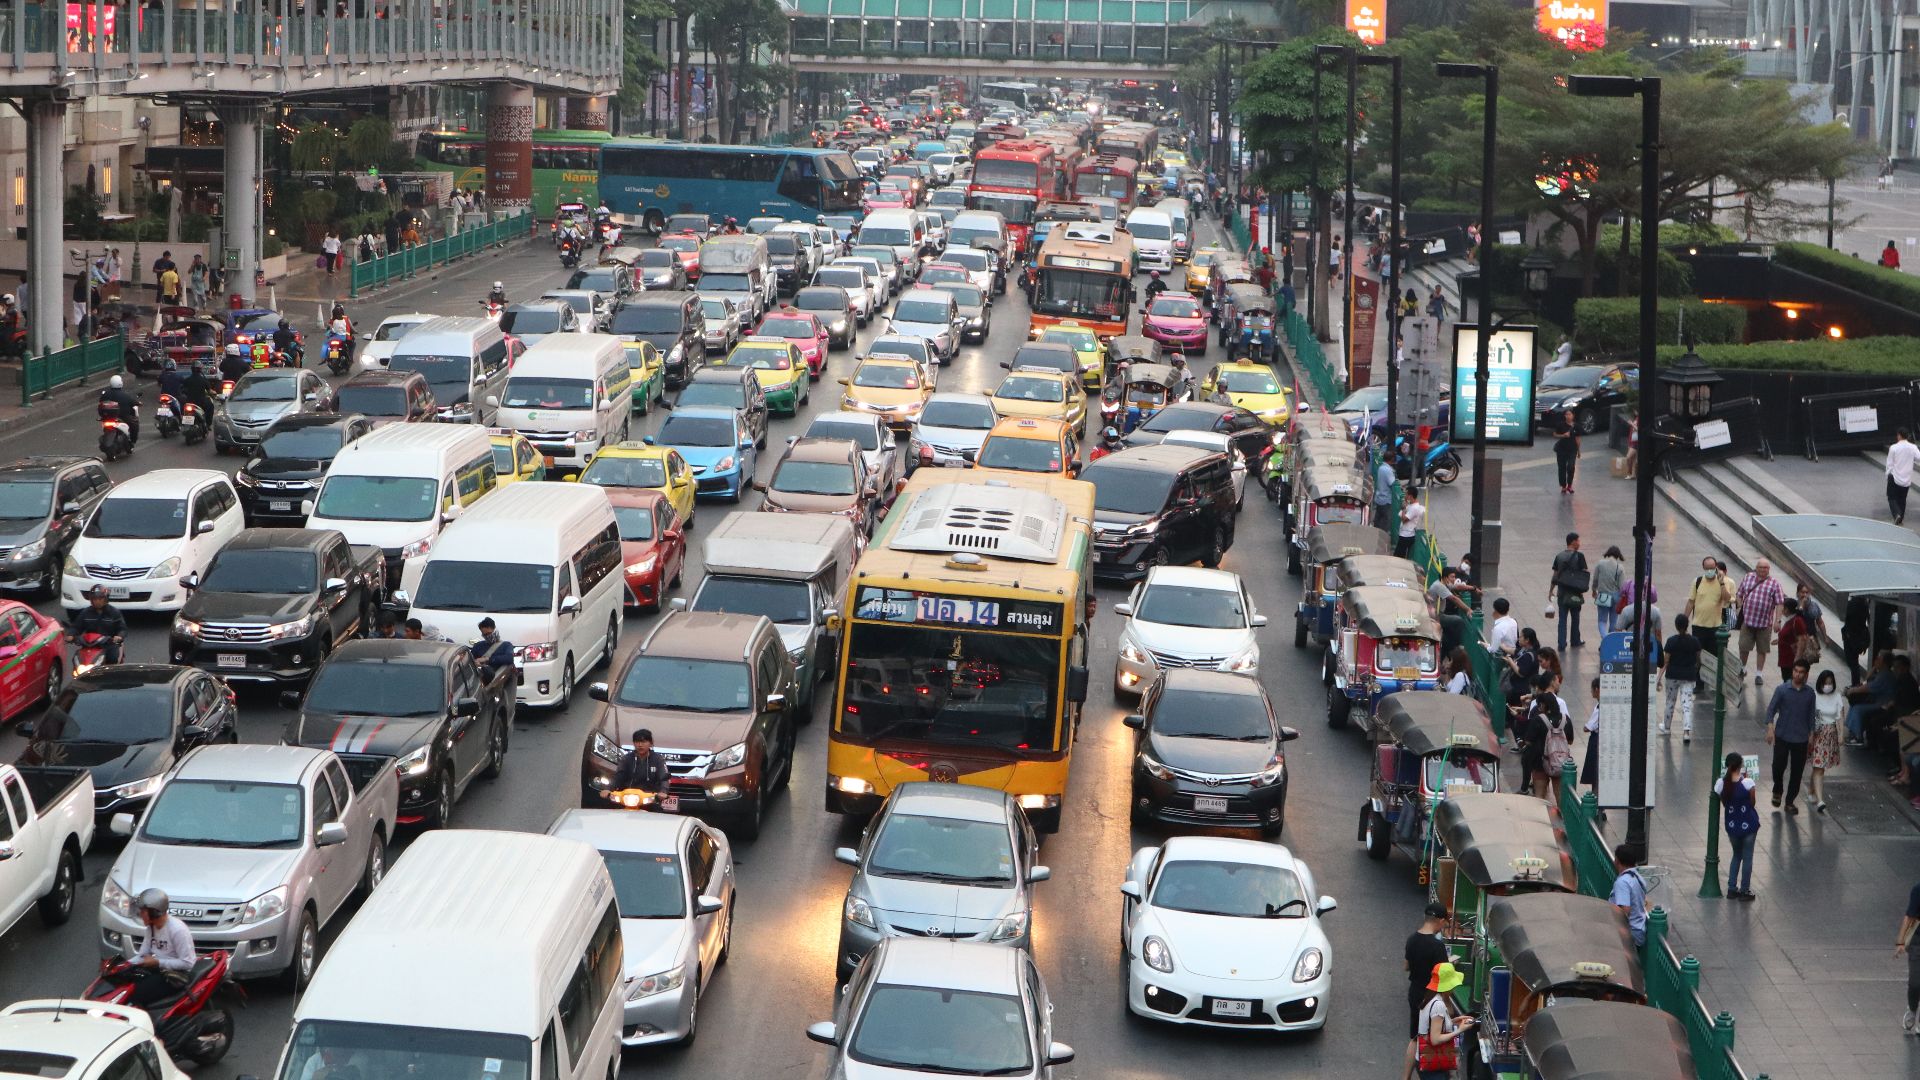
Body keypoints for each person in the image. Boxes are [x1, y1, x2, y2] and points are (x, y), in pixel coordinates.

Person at [124, 887, 196, 1007]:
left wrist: (157, 962)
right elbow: (142, 955)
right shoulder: (151, 927)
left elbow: (188, 963)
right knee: (127, 984)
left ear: (154, 912)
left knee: (138, 993)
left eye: (143, 911)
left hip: (176, 975)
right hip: (159, 970)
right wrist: (123, 966)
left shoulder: (177, 930)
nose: (140, 915)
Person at [1402, 903, 1450, 1080]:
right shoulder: (1437, 947)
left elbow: (1406, 967)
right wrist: (1447, 1003)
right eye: (1444, 922)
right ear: (1439, 920)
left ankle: (1405, 1077)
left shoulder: (1411, 939)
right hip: (1430, 996)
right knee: (1432, 1037)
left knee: (1415, 1037)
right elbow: (1443, 978)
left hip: (1415, 992)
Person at [1767, 659, 1817, 813]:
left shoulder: (1810, 694)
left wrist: (1811, 734)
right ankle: (1778, 788)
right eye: (1796, 671)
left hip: (1801, 738)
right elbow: (1771, 710)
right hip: (1782, 735)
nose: (1798, 674)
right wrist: (1770, 728)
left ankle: (1790, 801)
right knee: (1777, 767)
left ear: (1806, 674)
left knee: (1797, 772)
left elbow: (1811, 715)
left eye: (1801, 672)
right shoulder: (1782, 690)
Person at [1414, 962, 1474, 1080]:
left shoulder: (1430, 998)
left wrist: (1456, 1020)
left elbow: (1433, 1025)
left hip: (1425, 1061)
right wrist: (1460, 1030)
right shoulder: (1439, 1005)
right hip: (1433, 1067)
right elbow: (1435, 1040)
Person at [1716, 753, 1761, 900]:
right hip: (1748, 825)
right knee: (1747, 857)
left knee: (1736, 855)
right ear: (1740, 765)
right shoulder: (1747, 783)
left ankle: (1731, 888)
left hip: (1732, 826)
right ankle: (1744, 890)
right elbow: (1752, 803)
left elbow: (1723, 802)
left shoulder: (1721, 784)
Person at [1735, 560, 1785, 689]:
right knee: (1744, 647)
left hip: (1764, 624)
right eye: (1760, 567)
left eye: (1765, 568)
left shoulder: (1774, 584)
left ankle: (1759, 674)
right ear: (1756, 568)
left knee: (1762, 649)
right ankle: (1742, 669)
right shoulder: (1748, 578)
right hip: (1748, 621)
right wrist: (1740, 607)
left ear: (1769, 569)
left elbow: (1780, 603)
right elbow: (1739, 594)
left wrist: (1777, 620)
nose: (1763, 570)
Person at [1659, 614, 1703, 741]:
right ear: (1687, 625)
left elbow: (1666, 661)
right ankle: (1686, 733)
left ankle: (1666, 727)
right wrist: (1696, 668)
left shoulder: (1671, 641)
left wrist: (1658, 678)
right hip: (1689, 675)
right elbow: (1699, 658)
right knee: (1687, 704)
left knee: (1670, 702)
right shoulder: (1694, 641)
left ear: (1676, 626)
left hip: (1672, 675)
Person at [1806, 668, 1843, 813]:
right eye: (1825, 683)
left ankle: (1811, 789)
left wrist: (1840, 734)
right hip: (1818, 735)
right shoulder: (1814, 696)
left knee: (1819, 766)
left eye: (1830, 683)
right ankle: (1820, 800)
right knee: (1819, 767)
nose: (1828, 686)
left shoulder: (1837, 696)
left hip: (1831, 735)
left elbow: (1840, 716)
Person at [1683, 555, 1734, 658]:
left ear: (1716, 567)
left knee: (1714, 657)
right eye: (1707, 568)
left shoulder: (1723, 581)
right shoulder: (1697, 581)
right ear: (1703, 568)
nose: (1709, 571)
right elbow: (1691, 602)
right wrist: (1684, 620)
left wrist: (1722, 584)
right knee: (1697, 656)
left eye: (1712, 568)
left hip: (1715, 627)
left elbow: (1727, 599)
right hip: (1699, 626)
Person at [67, 584, 128, 664]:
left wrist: (119, 636)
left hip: (109, 645)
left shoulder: (114, 612)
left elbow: (122, 628)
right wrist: (71, 635)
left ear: (106, 599)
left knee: (113, 659)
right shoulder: (86, 613)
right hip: (89, 645)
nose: (97, 601)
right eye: (95, 599)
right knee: (77, 659)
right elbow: (76, 626)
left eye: (100, 598)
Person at [1548, 532, 1588, 651]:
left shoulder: (1559, 556)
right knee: (1575, 618)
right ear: (1573, 542)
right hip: (1575, 593)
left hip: (1562, 593)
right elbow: (1584, 573)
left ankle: (1561, 643)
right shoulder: (1579, 556)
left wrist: (1550, 591)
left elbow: (1555, 576)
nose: (1579, 543)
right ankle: (1575, 640)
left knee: (1562, 619)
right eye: (1578, 541)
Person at [1610, 844, 1650, 947]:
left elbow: (1625, 910)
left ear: (1617, 860)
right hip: (1639, 929)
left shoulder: (1622, 882)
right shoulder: (1637, 877)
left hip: (1630, 933)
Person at [610, 729, 671, 794]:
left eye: (643, 742)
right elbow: (618, 776)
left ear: (651, 743)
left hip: (651, 797)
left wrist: (663, 791)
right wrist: (609, 789)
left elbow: (664, 778)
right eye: (637, 742)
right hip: (628, 795)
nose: (640, 745)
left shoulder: (658, 759)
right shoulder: (626, 759)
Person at [27, 688, 78, 764]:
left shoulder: (73, 727)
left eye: (69, 704)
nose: (64, 706)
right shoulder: (52, 718)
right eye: (63, 704)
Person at [1775, 597, 1816, 686]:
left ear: (1787, 609)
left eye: (1784, 607)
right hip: (1785, 658)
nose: (1782, 609)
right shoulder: (1790, 619)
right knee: (1787, 680)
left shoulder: (1797, 621)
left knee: (1790, 682)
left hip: (1791, 660)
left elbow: (1802, 639)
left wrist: (1797, 658)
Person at [1887, 429, 1920, 525]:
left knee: (1891, 497)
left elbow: (1890, 463)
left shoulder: (1894, 448)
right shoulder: (1913, 447)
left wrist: (1888, 474)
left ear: (1899, 435)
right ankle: (1901, 518)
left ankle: (1897, 514)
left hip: (1894, 476)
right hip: (1906, 478)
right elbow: (1919, 457)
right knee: (1902, 499)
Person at [1592, 545, 1626, 637]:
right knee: (1614, 621)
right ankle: (1610, 642)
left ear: (1608, 553)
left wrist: (1594, 590)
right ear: (1618, 555)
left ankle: (1605, 638)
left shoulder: (1600, 564)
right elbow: (1622, 586)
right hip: (1616, 597)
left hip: (1603, 596)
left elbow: (1595, 579)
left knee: (1602, 621)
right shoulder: (1620, 567)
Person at [470, 617, 516, 682]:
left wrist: (487, 659)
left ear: (494, 630)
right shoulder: (478, 646)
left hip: (499, 680)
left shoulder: (506, 645)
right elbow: (470, 661)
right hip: (481, 680)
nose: (488, 636)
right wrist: (475, 663)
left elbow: (509, 658)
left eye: (489, 633)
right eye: (485, 634)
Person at [98, 374, 140, 444]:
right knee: (134, 425)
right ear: (121, 383)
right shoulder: (125, 395)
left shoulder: (106, 394)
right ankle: (132, 441)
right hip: (123, 416)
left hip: (107, 417)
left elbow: (101, 401)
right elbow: (133, 402)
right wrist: (138, 403)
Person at [1579, 675, 1602, 798]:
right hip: (1599, 739)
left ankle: (1596, 800)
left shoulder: (1600, 707)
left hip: (1596, 741)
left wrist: (1586, 725)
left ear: (1597, 689)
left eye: (1592, 689)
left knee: (1595, 771)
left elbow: (1587, 727)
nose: (1591, 692)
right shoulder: (1600, 705)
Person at [1552, 410, 1579, 494]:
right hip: (1561, 449)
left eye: (1569, 414)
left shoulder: (1576, 426)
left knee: (1571, 467)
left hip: (1572, 450)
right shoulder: (1561, 425)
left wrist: (1579, 450)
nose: (1568, 416)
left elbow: (1578, 438)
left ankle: (1569, 485)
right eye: (1566, 414)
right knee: (1561, 468)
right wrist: (1563, 435)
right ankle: (1563, 486)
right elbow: (1554, 434)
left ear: (1573, 416)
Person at [1373, 448, 1398, 532]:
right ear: (1391, 460)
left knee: (1378, 519)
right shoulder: (1387, 470)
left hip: (1379, 498)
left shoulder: (1381, 467)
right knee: (1385, 522)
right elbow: (1392, 483)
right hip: (1385, 500)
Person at [1395, 491, 1423, 560]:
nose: (1405, 496)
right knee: (1398, 555)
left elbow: (1404, 519)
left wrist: (1404, 509)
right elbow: (1400, 515)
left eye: (1406, 494)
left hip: (1407, 536)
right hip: (1404, 534)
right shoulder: (1410, 505)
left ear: (1410, 496)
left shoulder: (1415, 508)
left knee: (1399, 557)